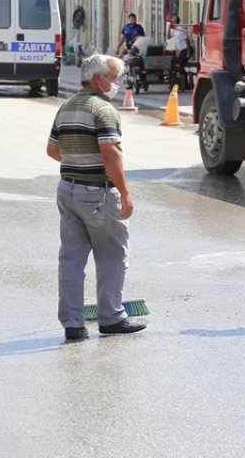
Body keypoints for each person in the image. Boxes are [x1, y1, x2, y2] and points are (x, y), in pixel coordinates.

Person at [46, 54, 147, 341]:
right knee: (112, 255)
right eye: (114, 78)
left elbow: (53, 151)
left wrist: (77, 160)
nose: (116, 83)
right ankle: (112, 318)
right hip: (98, 194)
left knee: (71, 259)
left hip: (67, 190)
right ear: (99, 78)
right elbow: (110, 152)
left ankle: (73, 324)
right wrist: (126, 194)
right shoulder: (102, 109)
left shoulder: (67, 106)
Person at [170, 16, 190, 90]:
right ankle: (181, 83)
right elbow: (168, 37)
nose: (172, 22)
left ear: (176, 22)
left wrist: (188, 52)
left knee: (180, 66)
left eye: (172, 21)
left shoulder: (180, 29)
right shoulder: (174, 30)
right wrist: (169, 28)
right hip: (182, 50)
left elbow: (187, 40)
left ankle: (185, 84)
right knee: (178, 66)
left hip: (186, 49)